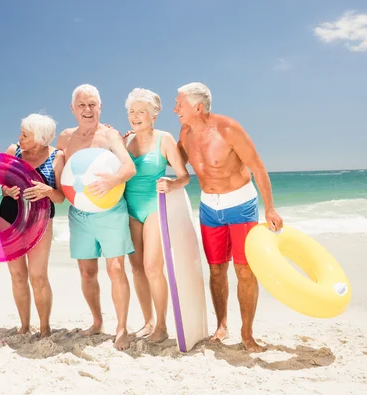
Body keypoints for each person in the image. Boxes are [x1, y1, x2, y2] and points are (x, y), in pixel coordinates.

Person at [173, 82, 283, 352]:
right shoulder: (185, 132)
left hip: (241, 204)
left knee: (244, 270)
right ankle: (222, 324)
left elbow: (257, 166)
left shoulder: (228, 129)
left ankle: (247, 333)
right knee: (216, 268)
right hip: (209, 207)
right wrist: (139, 138)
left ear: (198, 107)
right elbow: (172, 159)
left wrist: (269, 208)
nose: (175, 108)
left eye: (180, 104)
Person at [57, 84, 136, 351]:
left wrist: (112, 180)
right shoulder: (65, 138)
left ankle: (122, 328)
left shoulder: (110, 135)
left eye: (92, 104)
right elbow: (49, 166)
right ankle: (97, 321)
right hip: (79, 214)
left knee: (115, 269)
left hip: (111, 211)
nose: (87, 110)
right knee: (87, 271)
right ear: (73, 108)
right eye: (82, 105)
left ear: (100, 107)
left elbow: (129, 167)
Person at [122, 88, 190, 342]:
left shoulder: (165, 139)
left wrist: (172, 184)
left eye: (142, 111)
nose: (136, 116)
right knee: (136, 268)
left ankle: (162, 325)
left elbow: (185, 176)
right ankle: (148, 321)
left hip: (153, 207)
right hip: (129, 208)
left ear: (153, 115)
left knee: (152, 267)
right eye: (132, 112)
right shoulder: (124, 141)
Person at [0, 113, 65, 339]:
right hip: (9, 217)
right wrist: (5, 190)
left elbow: (61, 198)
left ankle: (45, 329)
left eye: (25, 135)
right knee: (17, 275)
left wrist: (48, 191)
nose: (20, 138)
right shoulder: (12, 151)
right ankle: (24, 326)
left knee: (38, 276)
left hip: (40, 222)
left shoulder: (57, 156)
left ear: (40, 137)